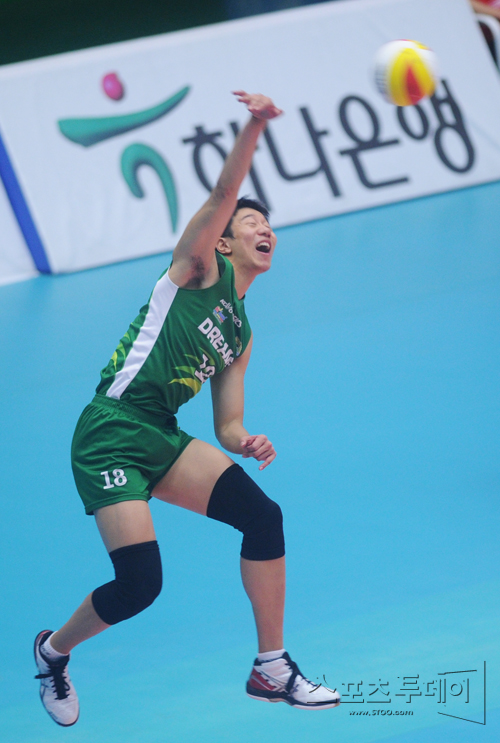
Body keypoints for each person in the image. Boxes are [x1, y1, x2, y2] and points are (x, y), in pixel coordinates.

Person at [34, 90, 340, 727]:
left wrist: (246, 439)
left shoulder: (241, 333)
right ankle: (54, 651)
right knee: (140, 583)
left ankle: (271, 667)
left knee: (264, 519)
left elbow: (226, 423)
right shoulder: (197, 270)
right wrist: (255, 125)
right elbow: (224, 190)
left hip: (162, 435)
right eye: (251, 223)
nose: (265, 231)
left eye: (269, 226)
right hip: (111, 430)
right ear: (222, 242)